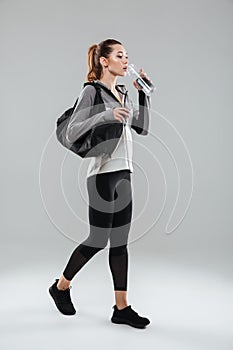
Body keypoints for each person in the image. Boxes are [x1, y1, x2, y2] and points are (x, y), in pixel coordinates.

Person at [48, 38, 152, 329]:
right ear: (104, 61)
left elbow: (141, 128)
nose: (125, 60)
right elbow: (72, 130)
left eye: (126, 55)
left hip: (125, 171)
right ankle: (60, 287)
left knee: (120, 243)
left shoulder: (122, 93)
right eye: (120, 55)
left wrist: (143, 95)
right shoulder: (91, 91)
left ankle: (122, 308)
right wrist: (106, 113)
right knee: (97, 239)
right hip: (102, 173)